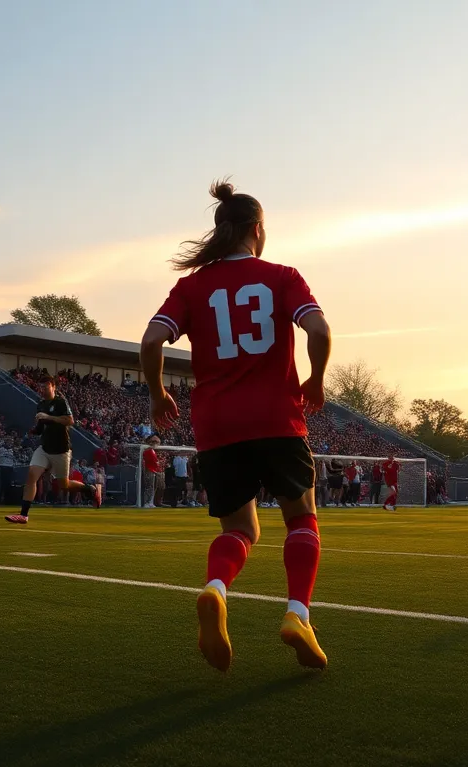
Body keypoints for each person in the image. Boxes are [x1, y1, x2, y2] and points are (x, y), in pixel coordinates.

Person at [140, 179, 332, 672]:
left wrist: (158, 393)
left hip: (217, 424)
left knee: (241, 528)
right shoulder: (281, 276)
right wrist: (315, 380)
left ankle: (216, 587)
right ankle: (297, 615)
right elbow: (318, 328)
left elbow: (151, 340)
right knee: (300, 519)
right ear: (257, 230)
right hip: (276, 416)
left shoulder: (192, 286)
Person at [5, 375, 102, 523]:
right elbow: (41, 427)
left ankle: (91, 490)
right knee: (31, 475)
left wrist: (49, 417)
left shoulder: (60, 402)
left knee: (64, 485)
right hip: (45, 448)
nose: (42, 390)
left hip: (61, 450)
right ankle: (24, 515)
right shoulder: (41, 404)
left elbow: (70, 421)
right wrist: (34, 430)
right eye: (41, 387)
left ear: (53, 386)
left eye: (45, 386)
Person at [142, 435, 165, 507]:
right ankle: (146, 502)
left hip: (154, 471)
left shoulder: (153, 451)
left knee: (153, 488)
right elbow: (150, 461)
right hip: (149, 471)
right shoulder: (148, 451)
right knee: (148, 487)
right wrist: (157, 463)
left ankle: (151, 502)